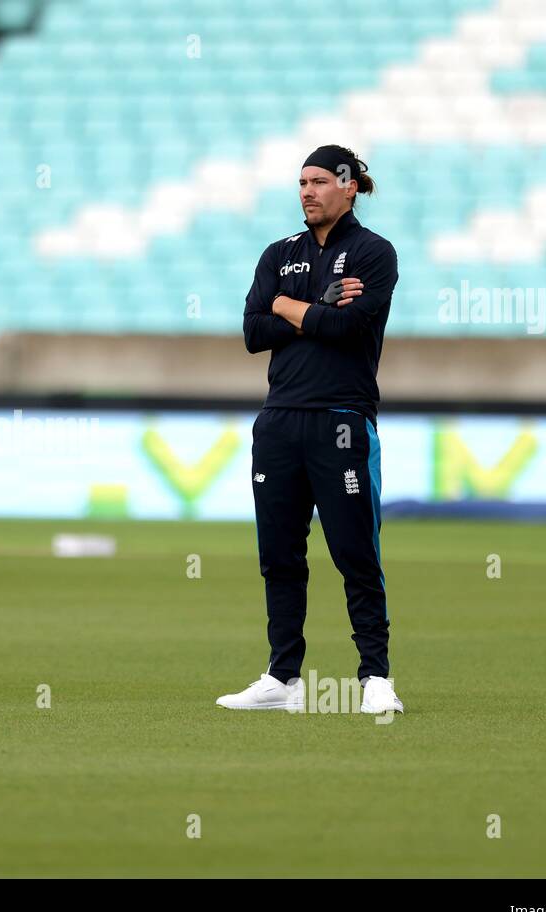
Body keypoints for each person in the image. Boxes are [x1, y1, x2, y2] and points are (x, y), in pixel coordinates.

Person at [216, 145, 403, 715]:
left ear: (349, 187)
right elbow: (252, 330)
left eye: (319, 181)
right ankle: (283, 678)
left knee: (354, 552)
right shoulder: (280, 252)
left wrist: (289, 309)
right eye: (302, 182)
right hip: (278, 421)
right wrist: (310, 308)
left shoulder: (374, 253)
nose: (307, 191)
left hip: (341, 420)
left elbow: (346, 327)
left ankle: (375, 677)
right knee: (278, 553)